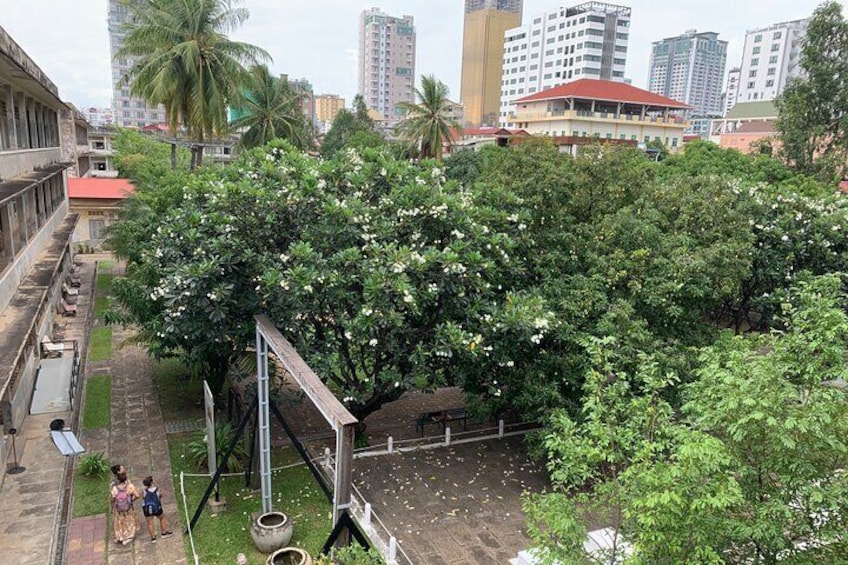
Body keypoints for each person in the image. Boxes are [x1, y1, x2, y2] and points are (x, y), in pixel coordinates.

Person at [110, 468, 141, 545]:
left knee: (119, 522)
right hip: (128, 508)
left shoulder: (115, 488)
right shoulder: (130, 486)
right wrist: (131, 501)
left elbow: (112, 499)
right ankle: (128, 537)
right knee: (128, 522)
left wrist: (112, 508)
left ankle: (119, 537)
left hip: (118, 509)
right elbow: (137, 495)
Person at [141, 476, 173, 542]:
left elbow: (143, 498)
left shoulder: (144, 491)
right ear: (152, 482)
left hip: (147, 509)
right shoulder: (157, 489)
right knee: (162, 518)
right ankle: (164, 533)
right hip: (156, 508)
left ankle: (153, 538)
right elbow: (160, 496)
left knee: (150, 523)